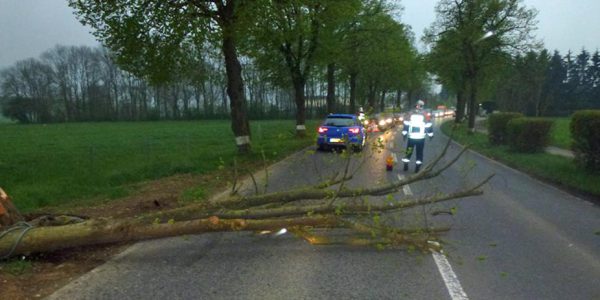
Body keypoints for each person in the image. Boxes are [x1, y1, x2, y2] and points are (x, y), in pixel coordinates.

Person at [401, 100, 433, 172]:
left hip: (411, 137)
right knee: (419, 152)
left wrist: (404, 134)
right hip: (421, 138)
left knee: (409, 151)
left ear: (416, 105)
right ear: (422, 106)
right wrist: (431, 135)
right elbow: (429, 125)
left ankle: (406, 165)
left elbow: (406, 124)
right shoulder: (425, 114)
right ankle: (417, 168)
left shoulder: (410, 113)